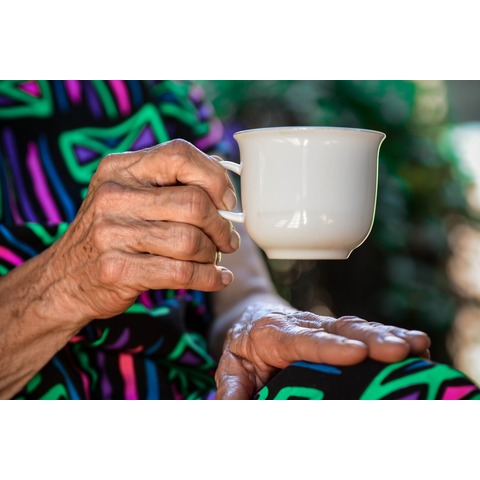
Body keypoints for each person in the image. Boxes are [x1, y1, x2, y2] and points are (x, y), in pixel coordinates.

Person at [0, 80, 478, 400]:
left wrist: (255, 318)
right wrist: (61, 286)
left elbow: (238, 284)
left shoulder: (159, 87)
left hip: (209, 388)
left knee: (415, 392)